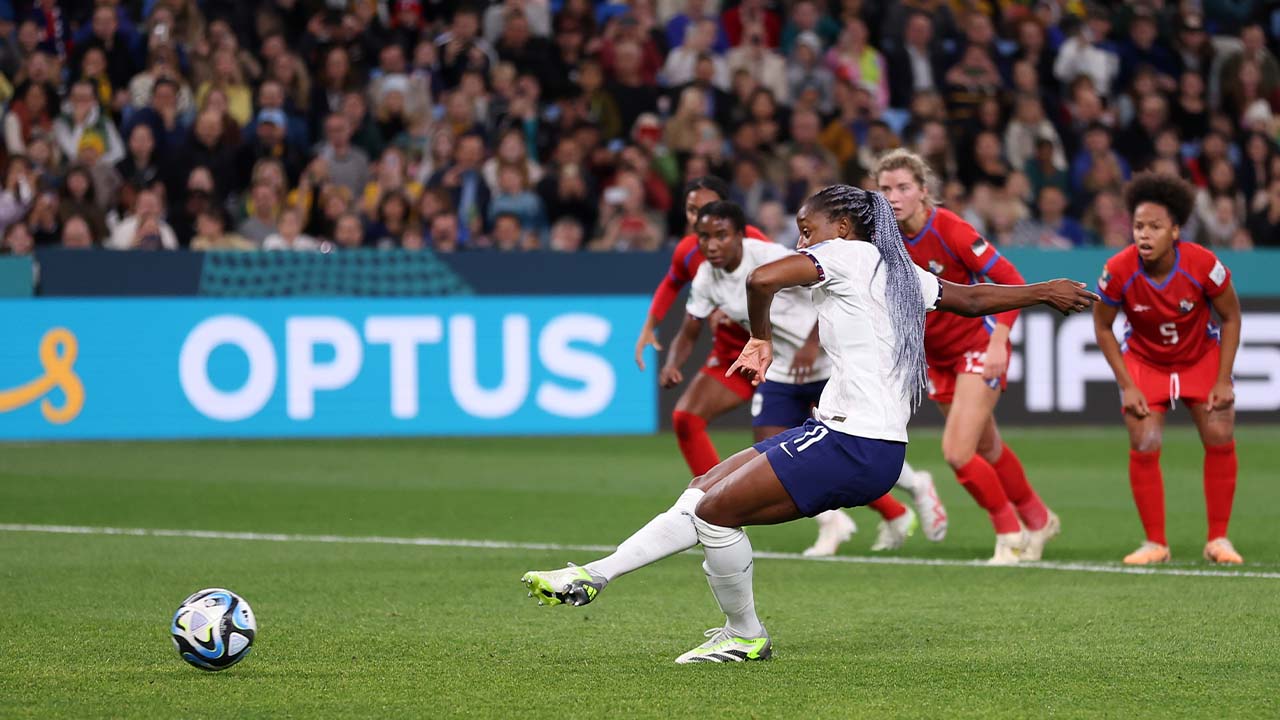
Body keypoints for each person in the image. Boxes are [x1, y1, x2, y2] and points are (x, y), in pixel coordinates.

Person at [522, 184, 1098, 663]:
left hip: (854, 440)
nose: (802, 239)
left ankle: (745, 634)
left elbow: (762, 279)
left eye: (808, 227)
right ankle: (592, 575)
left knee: (718, 513)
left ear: (843, 227)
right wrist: (1044, 290)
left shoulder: (846, 255)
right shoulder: (899, 270)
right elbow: (969, 300)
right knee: (702, 492)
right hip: (852, 435)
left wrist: (761, 338)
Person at [670, 200, 948, 555]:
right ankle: (837, 524)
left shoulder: (770, 255)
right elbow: (690, 323)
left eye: (719, 233)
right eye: (700, 232)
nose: (710, 243)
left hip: (826, 363)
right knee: (777, 453)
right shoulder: (708, 275)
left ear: (740, 233)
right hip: (783, 368)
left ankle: (915, 486)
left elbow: (837, 288)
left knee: (845, 447)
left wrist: (809, 344)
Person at [874, 149, 1059, 564]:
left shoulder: (952, 230)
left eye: (903, 187)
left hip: (979, 345)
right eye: (885, 189)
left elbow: (1011, 282)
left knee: (958, 452)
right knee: (988, 446)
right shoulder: (882, 239)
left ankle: (1009, 534)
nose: (894, 196)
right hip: (936, 359)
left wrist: (999, 342)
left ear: (924, 192)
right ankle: (1039, 518)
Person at [1092, 173, 1243, 565]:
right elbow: (1103, 326)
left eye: (1155, 227)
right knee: (1143, 440)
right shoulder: (1118, 270)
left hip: (1199, 357)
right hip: (1145, 361)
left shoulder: (1203, 265)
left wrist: (1224, 378)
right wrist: (1126, 384)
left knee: (1219, 431)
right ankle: (1155, 543)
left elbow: (1230, 317)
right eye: (1139, 226)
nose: (1144, 235)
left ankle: (1218, 540)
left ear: (1175, 231)